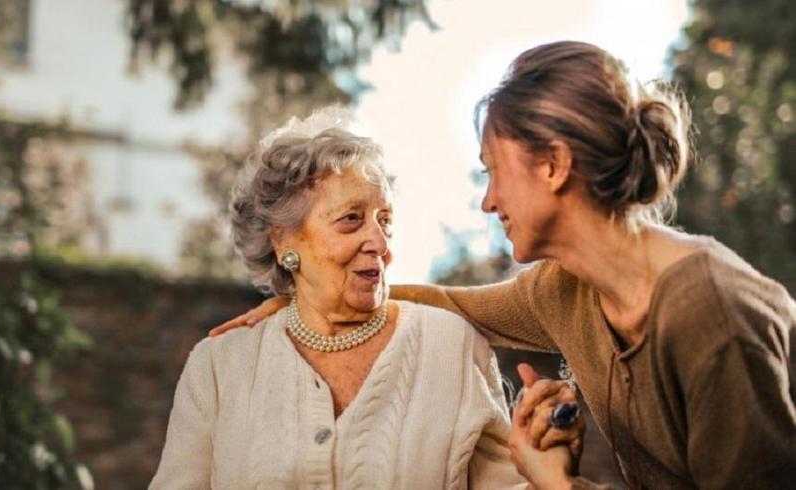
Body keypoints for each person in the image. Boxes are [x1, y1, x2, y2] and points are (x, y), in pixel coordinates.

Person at [210, 42, 796, 489]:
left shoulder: (710, 316)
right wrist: (307, 295)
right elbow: (447, 303)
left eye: (493, 169)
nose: (488, 201)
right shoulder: (565, 290)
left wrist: (555, 485)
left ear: (554, 165)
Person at [151, 110, 582, 489]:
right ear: (283, 240)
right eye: (351, 219)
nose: (378, 241)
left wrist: (547, 472)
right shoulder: (220, 365)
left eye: (385, 220)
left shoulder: (451, 346)